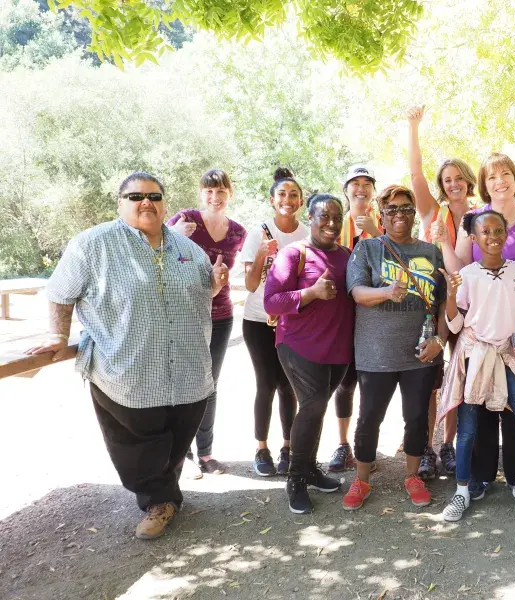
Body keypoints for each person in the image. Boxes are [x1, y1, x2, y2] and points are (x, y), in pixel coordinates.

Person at [25, 172, 228, 540]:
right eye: (135, 196)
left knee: (177, 434)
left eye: (153, 195)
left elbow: (202, 294)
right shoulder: (92, 245)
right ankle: (159, 501)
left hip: (187, 369)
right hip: (128, 371)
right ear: (120, 203)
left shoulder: (188, 249)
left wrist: (213, 284)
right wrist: (58, 335)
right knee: (138, 441)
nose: (145, 202)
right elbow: (61, 292)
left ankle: (165, 493)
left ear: (164, 202)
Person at [434, 152, 515, 500]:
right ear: (482, 185)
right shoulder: (473, 219)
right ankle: (483, 476)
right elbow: (459, 267)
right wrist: (443, 240)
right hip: (482, 324)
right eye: (491, 177)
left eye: (505, 174)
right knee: (482, 400)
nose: (500, 181)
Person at [343, 184, 449, 510]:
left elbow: (443, 304)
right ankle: (361, 480)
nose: (399, 215)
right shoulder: (367, 250)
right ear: (381, 215)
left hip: (420, 353)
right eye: (392, 210)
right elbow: (357, 293)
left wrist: (439, 341)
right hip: (375, 354)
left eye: (406, 209)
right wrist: (387, 293)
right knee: (369, 417)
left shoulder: (431, 252)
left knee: (416, 418)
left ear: (414, 214)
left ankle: (413, 475)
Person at [264, 193, 354, 514]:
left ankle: (311, 470)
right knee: (313, 403)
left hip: (338, 349)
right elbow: (271, 302)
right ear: (311, 219)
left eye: (336, 218)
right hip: (299, 346)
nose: (331, 223)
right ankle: (296, 477)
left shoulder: (347, 255)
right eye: (324, 217)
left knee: (316, 408)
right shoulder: (294, 253)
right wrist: (311, 293)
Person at [408, 105, 480, 478]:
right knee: (428, 377)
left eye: (458, 178)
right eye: (447, 179)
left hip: (465, 302)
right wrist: (413, 127)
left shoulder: (478, 216)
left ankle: (448, 445)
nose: (452, 183)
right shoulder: (430, 211)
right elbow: (416, 173)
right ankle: (424, 448)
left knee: (461, 375)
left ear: (468, 180)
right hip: (429, 299)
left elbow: (465, 262)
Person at [166, 169, 246, 477]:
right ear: (202, 193)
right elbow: (155, 255)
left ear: (229, 194)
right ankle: (182, 454)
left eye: (221, 192)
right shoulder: (184, 220)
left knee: (210, 385)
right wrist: (175, 237)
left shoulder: (237, 232)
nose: (215, 197)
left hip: (220, 314)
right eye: (209, 191)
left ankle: (206, 453)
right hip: (185, 315)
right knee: (184, 383)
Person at [241, 168, 305, 476]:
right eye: (282, 194)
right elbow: (252, 285)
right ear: (272, 199)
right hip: (257, 321)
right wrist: (265, 256)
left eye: (293, 194)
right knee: (265, 383)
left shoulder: (306, 234)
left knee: (287, 385)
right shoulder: (259, 233)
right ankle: (261, 448)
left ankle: (287, 447)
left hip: (291, 321)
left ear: (301, 201)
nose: (287, 200)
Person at [328, 165, 382, 473]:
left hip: (377, 319)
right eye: (354, 183)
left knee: (374, 386)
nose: (360, 188)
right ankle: (343, 444)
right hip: (342, 318)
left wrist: (375, 232)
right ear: (346, 189)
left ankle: (368, 447)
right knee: (345, 385)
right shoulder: (336, 224)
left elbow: (397, 262)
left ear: (374, 191)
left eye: (366, 183)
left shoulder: (386, 223)